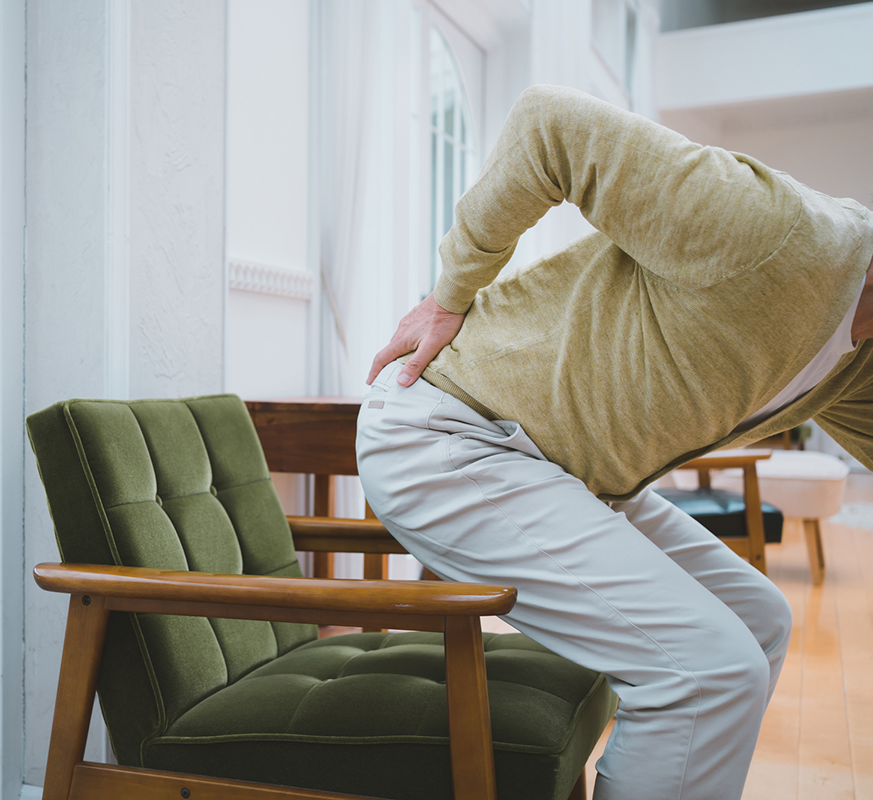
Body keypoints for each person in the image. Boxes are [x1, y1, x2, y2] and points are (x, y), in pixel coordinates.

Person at [356, 84, 873, 800]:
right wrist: (450, 293)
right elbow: (550, 125)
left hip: (558, 471)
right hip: (448, 433)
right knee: (706, 673)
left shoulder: (861, 360)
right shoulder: (778, 233)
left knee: (759, 623)